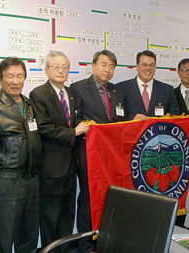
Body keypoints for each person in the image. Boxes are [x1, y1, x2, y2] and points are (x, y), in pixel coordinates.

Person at [29, 51, 89, 253]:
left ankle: (64, 249)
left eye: (64, 67)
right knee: (49, 216)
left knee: (66, 213)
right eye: (56, 67)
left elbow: (75, 120)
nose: (61, 70)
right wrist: (74, 132)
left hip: (71, 165)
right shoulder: (38, 94)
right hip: (50, 167)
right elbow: (44, 128)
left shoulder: (71, 93)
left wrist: (86, 125)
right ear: (46, 70)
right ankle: (49, 250)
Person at [0, 57, 42, 253]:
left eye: (19, 76)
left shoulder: (29, 105)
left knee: (29, 237)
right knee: (4, 238)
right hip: (6, 181)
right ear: (0, 79)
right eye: (10, 76)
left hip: (31, 179)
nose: (15, 81)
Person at [70, 50, 126, 253]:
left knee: (112, 196)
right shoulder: (77, 88)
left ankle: (107, 241)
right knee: (88, 197)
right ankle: (85, 245)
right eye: (104, 64)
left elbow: (121, 120)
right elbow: (71, 119)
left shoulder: (118, 91)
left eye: (112, 66)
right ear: (93, 66)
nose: (107, 69)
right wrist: (85, 124)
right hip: (89, 152)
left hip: (112, 155)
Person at [117, 50, 180, 120]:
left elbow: (175, 116)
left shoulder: (167, 90)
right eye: (144, 65)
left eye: (151, 65)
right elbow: (118, 116)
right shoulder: (122, 88)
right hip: (133, 130)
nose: (148, 68)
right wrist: (133, 119)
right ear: (137, 66)